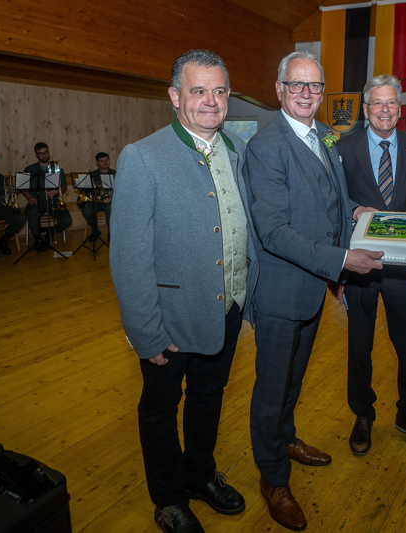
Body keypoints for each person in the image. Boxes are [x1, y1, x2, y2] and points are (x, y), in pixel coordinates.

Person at [109, 49, 258, 533]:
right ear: (175, 97)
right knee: (159, 410)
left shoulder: (236, 149)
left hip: (227, 308)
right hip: (169, 319)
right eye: (198, 91)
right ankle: (169, 498)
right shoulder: (143, 157)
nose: (210, 101)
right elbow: (129, 258)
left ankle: (200, 475)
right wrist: (146, 334)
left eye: (218, 91)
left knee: (208, 399)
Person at [244, 50, 383, 531]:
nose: (306, 93)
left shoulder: (324, 138)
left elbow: (331, 207)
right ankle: (272, 477)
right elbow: (275, 232)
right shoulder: (267, 146)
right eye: (296, 85)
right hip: (281, 293)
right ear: (279, 90)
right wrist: (344, 261)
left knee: (293, 382)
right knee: (270, 390)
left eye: (314, 86)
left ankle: (285, 439)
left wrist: (360, 215)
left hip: (312, 290)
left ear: (322, 94)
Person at [337, 74, 406, 456]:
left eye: (391, 103)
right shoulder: (344, 148)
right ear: (365, 109)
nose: (384, 109)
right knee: (360, 345)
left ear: (400, 109)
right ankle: (362, 415)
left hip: (402, 268)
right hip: (360, 267)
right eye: (377, 103)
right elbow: (337, 202)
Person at [22, 142, 72, 251]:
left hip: (53, 200)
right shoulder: (29, 169)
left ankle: (50, 233)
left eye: (46, 152)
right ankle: (38, 240)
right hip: (36, 200)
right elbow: (23, 188)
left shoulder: (58, 169)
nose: (44, 155)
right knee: (32, 212)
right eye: (41, 154)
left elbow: (63, 187)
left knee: (67, 220)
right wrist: (29, 197)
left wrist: (56, 191)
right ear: (36, 155)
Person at [82, 152, 115, 241]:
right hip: (96, 202)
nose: (105, 162)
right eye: (101, 161)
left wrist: (111, 198)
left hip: (110, 202)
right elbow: (87, 191)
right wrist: (95, 198)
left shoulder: (115, 174)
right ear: (97, 163)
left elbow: (122, 190)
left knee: (110, 210)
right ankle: (95, 229)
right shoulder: (92, 175)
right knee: (87, 210)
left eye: (106, 160)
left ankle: (111, 232)